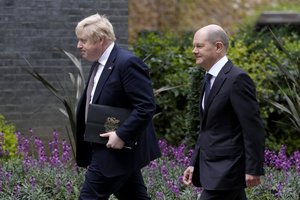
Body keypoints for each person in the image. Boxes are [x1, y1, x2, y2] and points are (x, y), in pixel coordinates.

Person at [75, 13, 161, 200]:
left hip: (115, 152)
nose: (78, 46)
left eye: (83, 40)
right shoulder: (99, 64)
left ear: (100, 40)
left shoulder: (127, 63)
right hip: (110, 151)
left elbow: (146, 106)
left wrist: (122, 134)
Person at [182, 24, 265, 200]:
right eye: (194, 46)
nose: (193, 50)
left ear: (218, 47)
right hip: (214, 168)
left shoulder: (237, 79)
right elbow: (207, 128)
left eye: (199, 46)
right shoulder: (208, 78)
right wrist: (195, 163)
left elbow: (252, 127)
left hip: (227, 169)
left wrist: (253, 168)